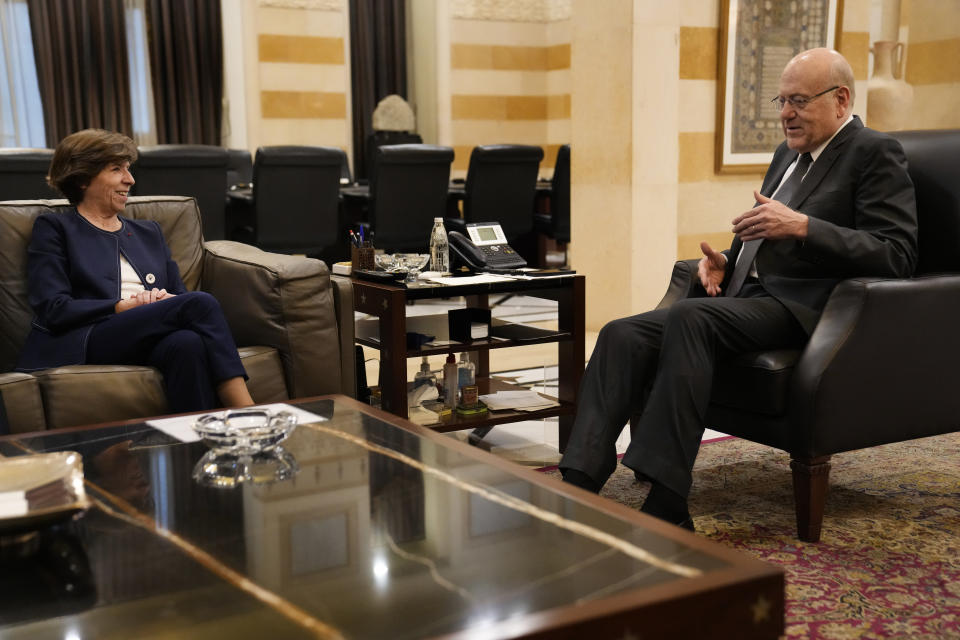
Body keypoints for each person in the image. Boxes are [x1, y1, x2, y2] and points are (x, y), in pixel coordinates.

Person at [559, 48, 918, 530]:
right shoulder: (787, 155)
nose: (786, 113)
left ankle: (667, 500)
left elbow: (896, 253)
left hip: (807, 308)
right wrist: (726, 264)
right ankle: (580, 478)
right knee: (622, 332)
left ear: (841, 99)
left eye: (799, 101)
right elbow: (766, 231)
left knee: (690, 317)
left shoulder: (874, 152)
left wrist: (806, 227)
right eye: (781, 100)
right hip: (748, 297)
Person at [15, 129, 255, 413]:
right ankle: (246, 410)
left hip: (146, 332)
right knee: (201, 303)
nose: (130, 179)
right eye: (117, 169)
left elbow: (177, 296)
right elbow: (53, 308)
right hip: (88, 337)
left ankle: (194, 444)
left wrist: (160, 302)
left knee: (187, 343)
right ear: (81, 179)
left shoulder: (149, 232)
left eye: (128, 169)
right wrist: (122, 306)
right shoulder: (55, 228)